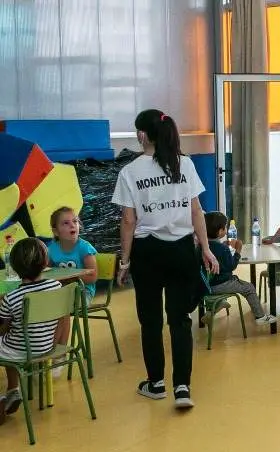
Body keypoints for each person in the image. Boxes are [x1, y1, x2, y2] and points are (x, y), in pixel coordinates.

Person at [113, 109, 219, 409]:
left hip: (148, 253)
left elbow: (128, 221)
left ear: (142, 135)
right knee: (180, 320)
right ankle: (183, 388)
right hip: (182, 251)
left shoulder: (131, 171)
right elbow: (196, 210)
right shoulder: (184, 164)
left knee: (150, 321)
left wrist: (125, 261)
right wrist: (207, 249)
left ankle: (156, 383)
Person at [0, 239, 63, 421]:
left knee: (6, 345)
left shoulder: (12, 297)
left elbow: (3, 329)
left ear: (13, 267)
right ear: (45, 263)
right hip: (47, 347)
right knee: (8, 345)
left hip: (21, 350)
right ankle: (13, 390)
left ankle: (6, 396)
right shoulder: (56, 287)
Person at [47, 207, 98, 373]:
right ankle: (43, 351)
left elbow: (92, 277)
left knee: (63, 309)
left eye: (75, 221)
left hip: (83, 293)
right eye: (66, 223)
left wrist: (70, 277)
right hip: (60, 292)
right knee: (40, 309)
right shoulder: (51, 249)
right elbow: (45, 272)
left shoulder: (84, 248)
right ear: (55, 230)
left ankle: (58, 354)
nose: (72, 225)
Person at [204, 211, 276, 325]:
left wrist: (223, 245)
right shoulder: (223, 250)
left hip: (206, 285)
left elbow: (214, 251)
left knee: (237, 287)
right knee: (249, 288)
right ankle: (260, 317)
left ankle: (211, 310)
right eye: (225, 228)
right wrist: (238, 250)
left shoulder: (202, 246)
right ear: (220, 231)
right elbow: (231, 266)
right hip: (222, 284)